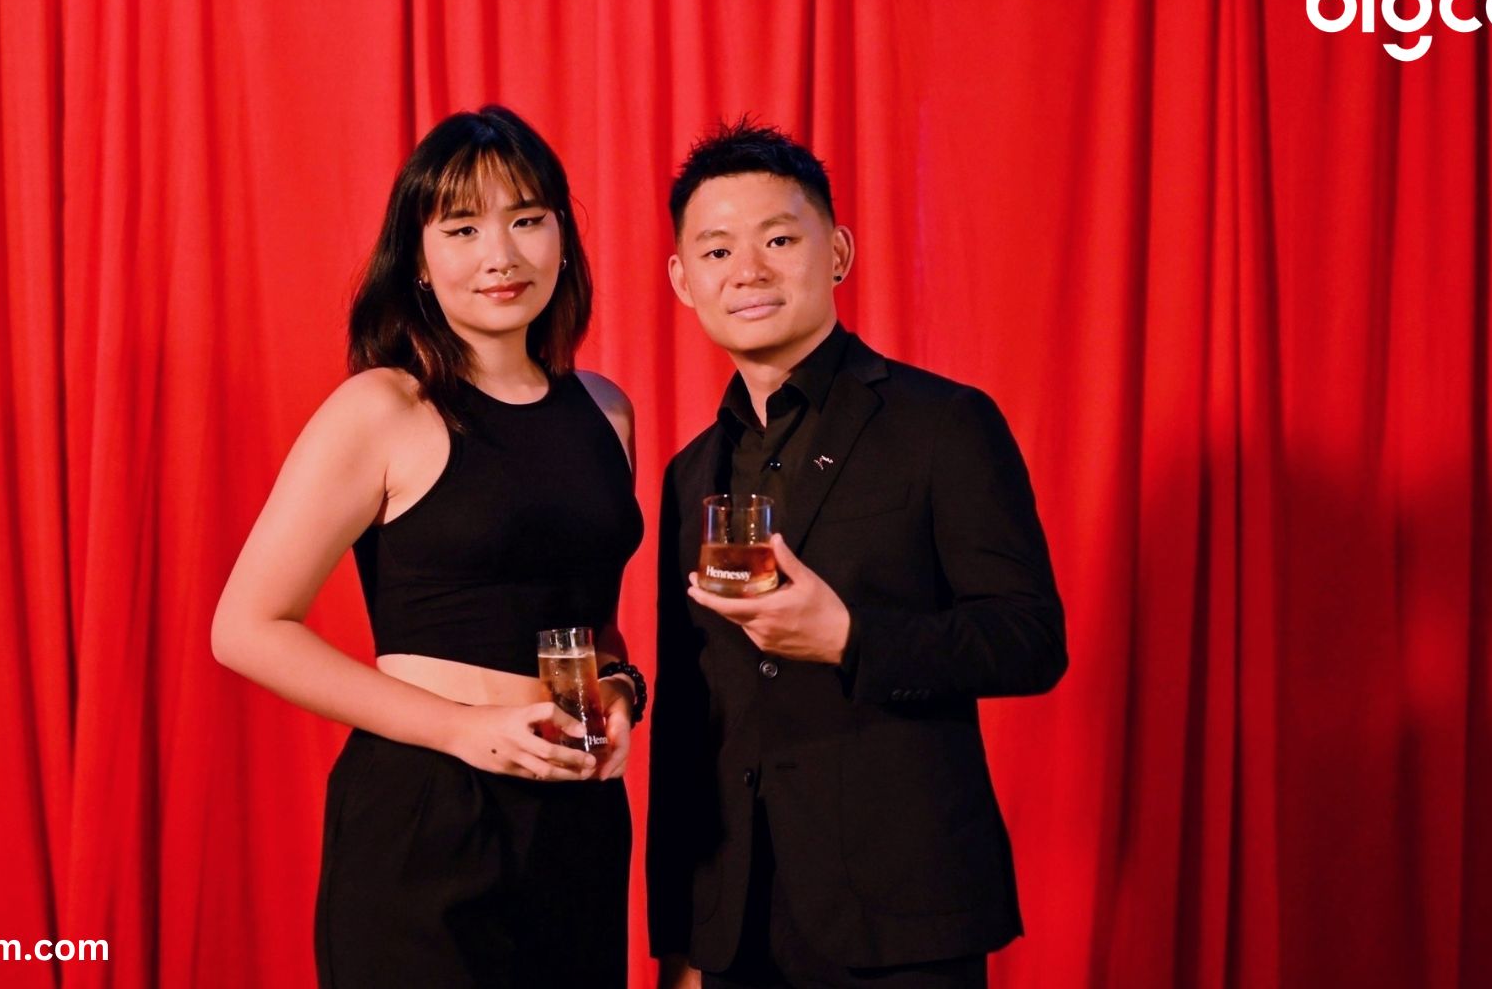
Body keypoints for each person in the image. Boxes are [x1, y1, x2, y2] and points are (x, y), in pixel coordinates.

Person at [212, 105, 646, 989]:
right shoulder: (383, 407)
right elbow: (246, 629)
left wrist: (622, 691)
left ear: (563, 237)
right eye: (463, 228)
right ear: (417, 259)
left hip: (578, 817)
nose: (501, 255)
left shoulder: (605, 411)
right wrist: (465, 731)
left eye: (527, 219)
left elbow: (590, 619)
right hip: (428, 810)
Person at [645, 119, 1067, 989]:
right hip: (734, 923)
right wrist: (679, 938)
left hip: (902, 914)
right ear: (684, 280)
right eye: (717, 251)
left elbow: (1030, 640)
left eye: (778, 240)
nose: (748, 271)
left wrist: (849, 637)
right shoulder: (689, 473)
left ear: (836, 252)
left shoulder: (944, 424)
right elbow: (688, 716)